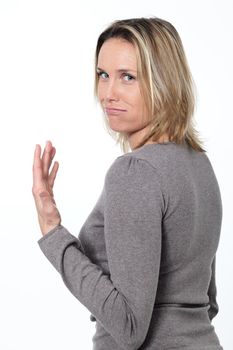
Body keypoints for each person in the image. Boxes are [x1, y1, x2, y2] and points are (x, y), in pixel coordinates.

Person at [32, 16, 224, 350]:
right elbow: (207, 302)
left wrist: (53, 232)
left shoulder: (134, 172)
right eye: (103, 75)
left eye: (128, 78)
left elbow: (129, 326)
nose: (108, 93)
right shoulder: (199, 165)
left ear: (164, 82)